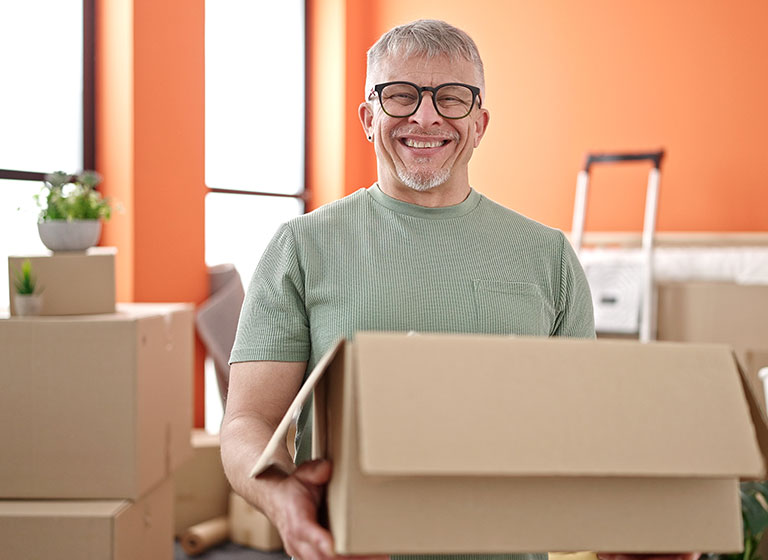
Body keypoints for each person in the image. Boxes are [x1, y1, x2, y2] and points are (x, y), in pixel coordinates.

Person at [220, 19, 699, 560]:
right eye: (401, 96)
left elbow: (579, 431)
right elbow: (247, 422)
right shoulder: (301, 246)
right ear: (368, 118)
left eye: (452, 98)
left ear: (480, 122)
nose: (426, 116)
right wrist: (283, 498)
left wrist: (641, 524)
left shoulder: (549, 257)